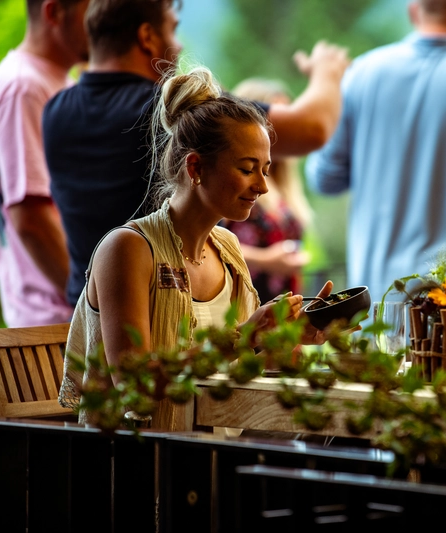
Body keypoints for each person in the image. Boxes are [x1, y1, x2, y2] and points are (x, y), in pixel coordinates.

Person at [58, 66, 334, 431]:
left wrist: (290, 337)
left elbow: (256, 367)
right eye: (248, 168)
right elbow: (134, 382)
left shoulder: (228, 250)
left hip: (214, 452)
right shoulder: (128, 249)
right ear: (196, 167)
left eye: (266, 169)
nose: (263, 187)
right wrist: (243, 337)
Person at [43, 0, 349, 308]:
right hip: (161, 302)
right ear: (146, 36)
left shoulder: (55, 112)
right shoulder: (166, 110)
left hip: (81, 304)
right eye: (173, 29)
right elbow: (311, 128)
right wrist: (328, 72)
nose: (178, 46)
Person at [306, 0, 446, 301]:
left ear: (414, 12)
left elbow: (324, 177)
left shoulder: (362, 73)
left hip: (378, 286)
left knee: (382, 349)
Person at [0, 0, 90, 327]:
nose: (99, 21)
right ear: (54, 12)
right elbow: (33, 221)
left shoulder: (55, 84)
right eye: (90, 9)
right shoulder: (23, 87)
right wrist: (93, 301)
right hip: (56, 324)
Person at [221, 78, 312, 303]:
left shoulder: (285, 185)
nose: (288, 131)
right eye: (279, 121)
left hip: (281, 310)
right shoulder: (236, 178)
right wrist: (264, 259)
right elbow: (208, 243)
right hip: (242, 301)